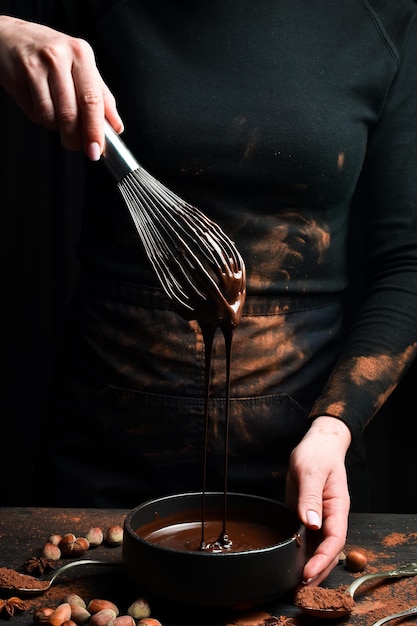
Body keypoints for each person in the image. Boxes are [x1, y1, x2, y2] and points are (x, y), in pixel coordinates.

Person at [1, 0, 416, 588]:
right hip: (102, 459)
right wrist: (3, 33)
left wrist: (334, 427)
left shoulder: (385, 18)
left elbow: (408, 264)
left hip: (302, 463)